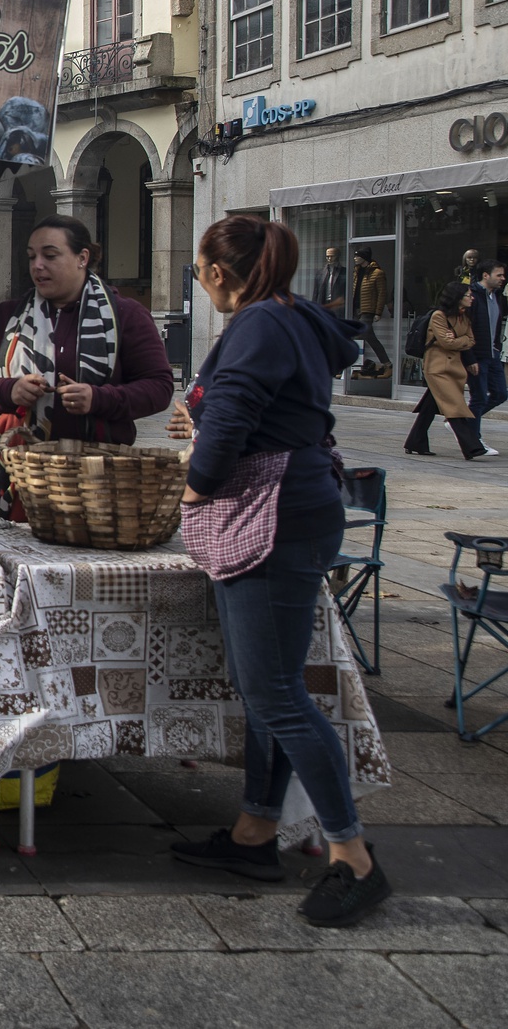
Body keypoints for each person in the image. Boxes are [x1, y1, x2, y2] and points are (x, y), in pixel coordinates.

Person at [166, 213, 387, 928]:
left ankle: (352, 855)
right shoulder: (296, 317)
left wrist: (195, 486)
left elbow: (231, 422)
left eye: (198, 271)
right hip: (302, 508)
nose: (199, 282)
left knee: (276, 694)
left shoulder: (258, 324)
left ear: (221, 273)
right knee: (270, 689)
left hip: (272, 519)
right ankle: (255, 832)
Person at [0, 216, 175, 444]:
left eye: (50, 255)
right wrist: (8, 391)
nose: (37, 265)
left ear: (82, 257)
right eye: (32, 256)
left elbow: (159, 387)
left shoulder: (126, 314)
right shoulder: (6, 317)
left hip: (98, 468)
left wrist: (98, 399)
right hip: (18, 466)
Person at [403, 280, 491, 459]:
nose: (471, 298)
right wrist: (461, 340)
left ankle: (415, 441)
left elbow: (471, 340)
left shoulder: (463, 316)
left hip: (454, 368)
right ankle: (472, 446)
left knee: (431, 406)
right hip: (438, 368)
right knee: (454, 406)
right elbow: (447, 342)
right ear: (457, 297)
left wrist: (458, 340)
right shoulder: (439, 316)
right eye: (467, 295)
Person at [470, 260, 508, 431]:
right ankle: (473, 439)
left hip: (493, 353)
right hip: (477, 355)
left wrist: (497, 347)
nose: (503, 278)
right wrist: (470, 357)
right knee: (479, 398)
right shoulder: (472, 295)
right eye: (498, 275)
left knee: (500, 393)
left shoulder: (496, 296)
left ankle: (464, 421)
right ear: (486, 275)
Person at [353, 248, 390, 375]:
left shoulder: (377, 273)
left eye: (357, 256)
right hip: (355, 308)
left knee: (363, 335)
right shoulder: (356, 272)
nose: (355, 258)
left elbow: (382, 294)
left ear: (364, 257)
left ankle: (353, 368)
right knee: (367, 337)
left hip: (367, 310)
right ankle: (386, 364)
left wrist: (378, 312)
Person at [314, 247, 346, 312]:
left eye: (332, 256)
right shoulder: (321, 272)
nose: (329, 259)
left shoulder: (344, 272)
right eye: (327, 257)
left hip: (338, 304)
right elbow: (316, 292)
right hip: (323, 303)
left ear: (337, 256)